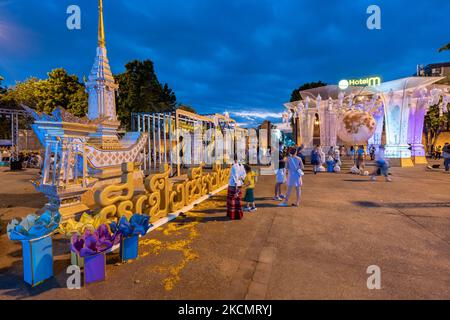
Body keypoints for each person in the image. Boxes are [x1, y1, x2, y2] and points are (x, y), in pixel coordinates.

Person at [227, 155, 246, 220]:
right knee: (238, 201)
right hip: (239, 184)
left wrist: (236, 189)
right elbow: (244, 175)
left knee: (232, 201)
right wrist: (241, 182)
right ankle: (239, 214)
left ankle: (233, 215)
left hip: (233, 185)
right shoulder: (242, 165)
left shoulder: (234, 166)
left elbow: (235, 177)